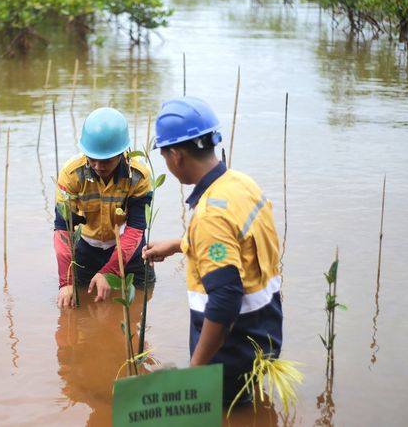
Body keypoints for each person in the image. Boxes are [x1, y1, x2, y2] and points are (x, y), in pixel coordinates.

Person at [142, 96, 283, 404]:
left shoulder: (209, 216)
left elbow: (224, 299)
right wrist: (182, 244)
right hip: (262, 336)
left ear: (176, 155)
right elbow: (236, 244)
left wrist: (196, 371)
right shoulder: (241, 183)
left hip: (230, 355)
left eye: (164, 155)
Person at [55, 107, 155, 309]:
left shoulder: (139, 176)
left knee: (142, 300)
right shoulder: (71, 174)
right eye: (92, 159)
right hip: (86, 247)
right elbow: (63, 229)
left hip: (128, 249)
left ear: (121, 153)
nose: (99, 166)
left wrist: (110, 272)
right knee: (78, 306)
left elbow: (135, 229)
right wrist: (66, 282)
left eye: (107, 160)